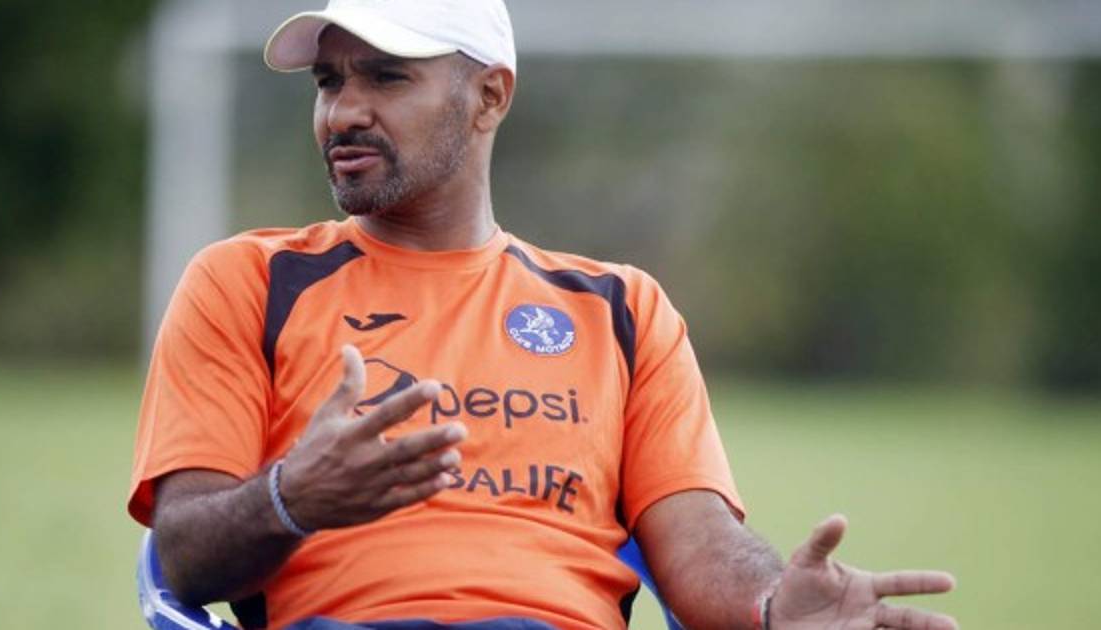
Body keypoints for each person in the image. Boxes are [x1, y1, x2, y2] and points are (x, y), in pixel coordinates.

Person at [127, 1, 959, 629]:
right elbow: (184, 558)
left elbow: (699, 549)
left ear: (489, 96)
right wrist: (292, 497)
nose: (343, 111)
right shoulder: (248, 282)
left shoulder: (621, 310)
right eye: (329, 81)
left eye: (386, 77)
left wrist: (775, 606)